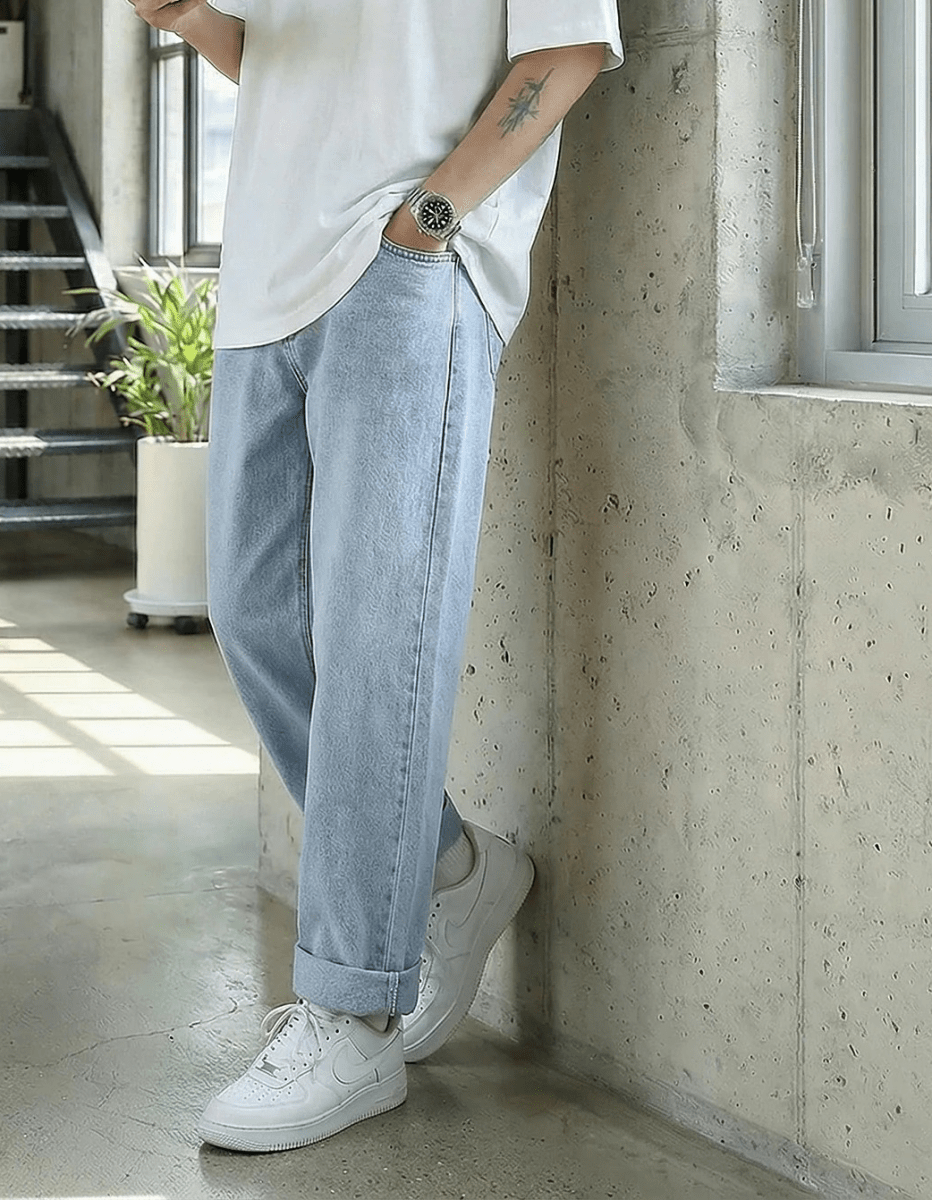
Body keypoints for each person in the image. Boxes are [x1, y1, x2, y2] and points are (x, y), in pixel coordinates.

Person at [131, 0, 623, 1154]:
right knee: (256, 617)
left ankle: (353, 1015)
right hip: (264, 271)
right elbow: (281, 58)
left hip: (403, 267)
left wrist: (427, 223)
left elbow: (566, 51)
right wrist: (191, 19)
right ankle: (451, 869)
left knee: (375, 640)